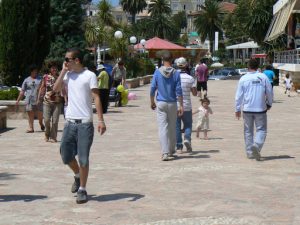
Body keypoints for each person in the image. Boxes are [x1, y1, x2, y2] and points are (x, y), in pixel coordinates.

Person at [53, 48, 106, 204]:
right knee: (65, 155)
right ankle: (77, 175)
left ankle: (82, 189)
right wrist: (63, 71)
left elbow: (96, 97)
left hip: (84, 124)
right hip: (69, 123)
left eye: (67, 59)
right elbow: (55, 89)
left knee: (83, 159)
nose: (65, 61)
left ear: (76, 60)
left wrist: (101, 120)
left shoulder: (89, 75)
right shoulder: (67, 75)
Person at [235, 59, 273, 161]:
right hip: (260, 108)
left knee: (248, 131)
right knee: (261, 129)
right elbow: (269, 91)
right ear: (258, 66)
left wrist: (237, 109)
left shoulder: (243, 78)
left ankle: (250, 152)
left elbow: (238, 96)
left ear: (248, 66)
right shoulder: (263, 77)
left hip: (247, 109)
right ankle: (256, 145)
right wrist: (269, 103)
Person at [150, 50, 183, 161]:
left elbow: (152, 88)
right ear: (172, 60)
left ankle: (165, 153)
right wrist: (181, 105)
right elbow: (179, 91)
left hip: (161, 103)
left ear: (163, 60)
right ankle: (171, 149)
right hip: (173, 103)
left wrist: (152, 101)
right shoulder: (176, 73)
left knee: (162, 128)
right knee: (172, 127)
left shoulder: (157, 72)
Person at [175, 57, 197, 153]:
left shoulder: (173, 77)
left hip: (175, 105)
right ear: (186, 65)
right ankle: (187, 139)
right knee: (188, 125)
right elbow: (194, 93)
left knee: (177, 126)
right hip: (187, 105)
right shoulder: (190, 78)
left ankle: (179, 147)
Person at [37, 61, 63, 142]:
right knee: (47, 120)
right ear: (50, 69)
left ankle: (53, 137)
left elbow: (64, 88)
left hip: (58, 101)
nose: (54, 69)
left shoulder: (60, 77)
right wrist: (38, 98)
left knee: (55, 121)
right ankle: (47, 134)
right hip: (47, 101)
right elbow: (42, 88)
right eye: (52, 68)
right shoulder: (46, 77)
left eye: (55, 67)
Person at [16, 64, 44, 133]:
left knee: (40, 114)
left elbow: (43, 89)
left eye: (36, 71)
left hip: (38, 99)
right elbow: (22, 91)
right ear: (31, 72)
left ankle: (41, 123)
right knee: (30, 114)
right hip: (29, 99)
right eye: (34, 71)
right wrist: (18, 100)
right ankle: (31, 128)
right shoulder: (26, 80)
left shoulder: (40, 79)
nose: (36, 72)